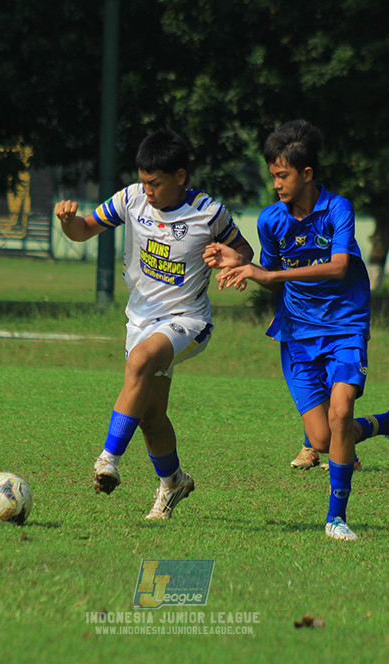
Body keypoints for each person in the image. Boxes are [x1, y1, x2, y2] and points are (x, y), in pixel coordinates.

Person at [203, 120, 389, 541]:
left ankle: (336, 518)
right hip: (297, 332)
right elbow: (270, 273)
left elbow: (338, 268)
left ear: (306, 174)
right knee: (323, 438)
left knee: (340, 414)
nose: (276, 183)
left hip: (345, 326)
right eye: (272, 175)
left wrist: (273, 275)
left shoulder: (338, 208)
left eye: (282, 175)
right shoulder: (271, 220)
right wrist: (240, 263)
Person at [54, 129, 254, 520]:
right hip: (140, 319)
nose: (147, 191)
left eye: (156, 183)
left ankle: (108, 459)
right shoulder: (129, 199)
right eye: (144, 181)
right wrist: (67, 221)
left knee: (141, 360)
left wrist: (231, 258)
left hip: (188, 321)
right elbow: (82, 231)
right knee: (150, 417)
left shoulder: (209, 213)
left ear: (180, 177)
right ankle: (173, 481)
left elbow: (243, 250)